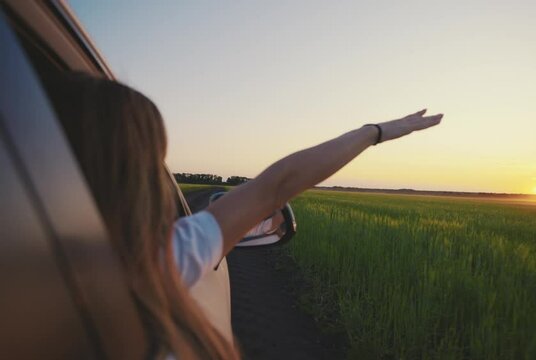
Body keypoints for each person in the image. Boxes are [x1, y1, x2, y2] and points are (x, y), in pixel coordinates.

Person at [47, 72, 443, 359]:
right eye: (155, 159)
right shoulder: (164, 256)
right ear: (135, 175)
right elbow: (278, 184)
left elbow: (277, 184)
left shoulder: (36, 282)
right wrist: (376, 131)